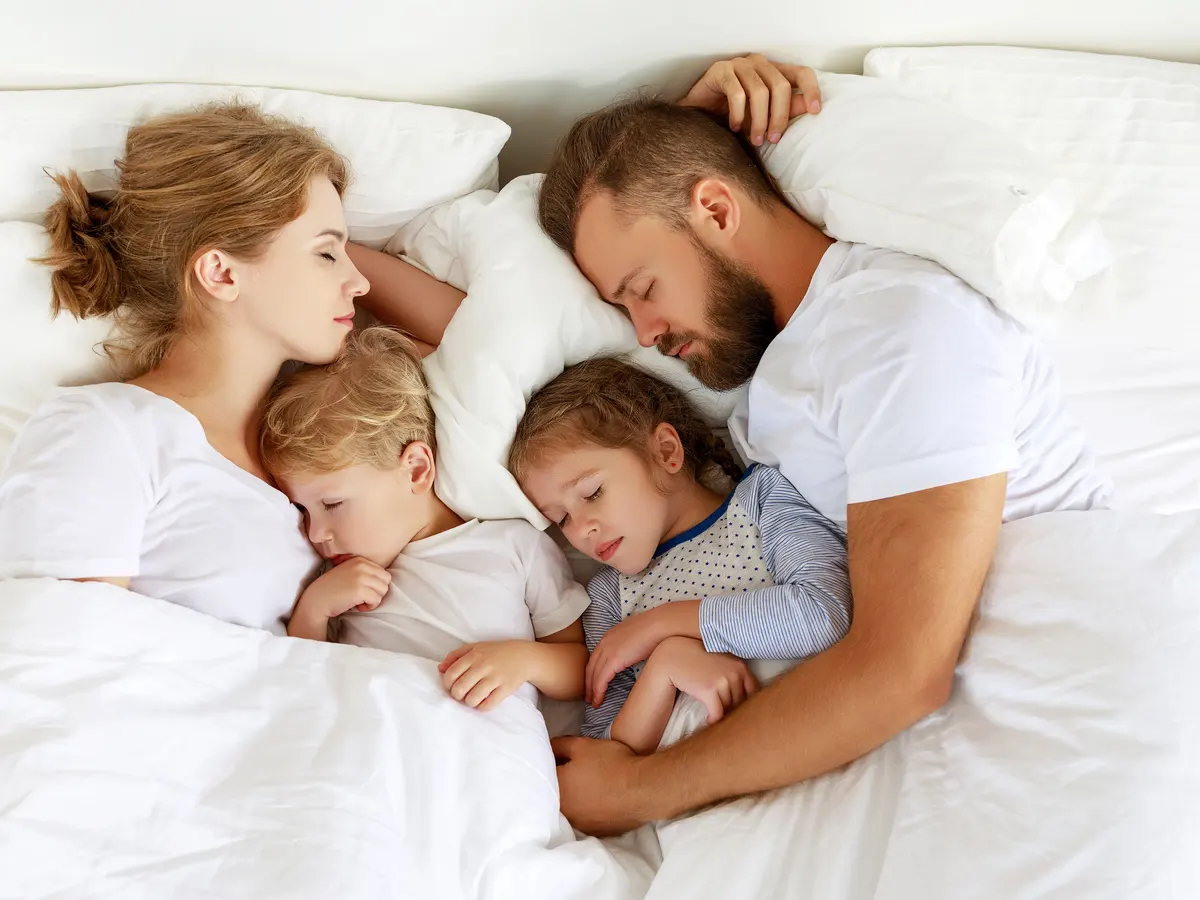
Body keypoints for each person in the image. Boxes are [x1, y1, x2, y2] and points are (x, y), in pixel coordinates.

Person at [537, 55, 1114, 833]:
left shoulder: (898, 330)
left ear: (715, 208)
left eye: (642, 289)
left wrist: (639, 791)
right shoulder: (788, 360)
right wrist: (675, 129)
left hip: (1072, 699)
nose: (646, 333)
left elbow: (902, 672)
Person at [0, 102, 464, 632]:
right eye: (327, 254)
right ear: (220, 272)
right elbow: (61, 667)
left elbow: (467, 338)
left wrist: (314, 241)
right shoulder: (105, 429)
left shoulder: (321, 427)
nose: (360, 284)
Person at [509, 357, 851, 754]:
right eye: (561, 518)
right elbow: (605, 753)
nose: (581, 529)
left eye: (592, 493)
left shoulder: (762, 501)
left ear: (665, 452)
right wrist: (664, 668)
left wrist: (661, 626)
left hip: (815, 732)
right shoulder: (608, 598)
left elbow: (827, 613)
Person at [261, 326, 589, 709]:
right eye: (301, 509)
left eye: (332, 504)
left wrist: (525, 660)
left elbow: (581, 670)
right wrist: (313, 610)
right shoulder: (335, 587)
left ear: (416, 469)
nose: (316, 534)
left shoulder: (514, 545)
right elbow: (305, 685)